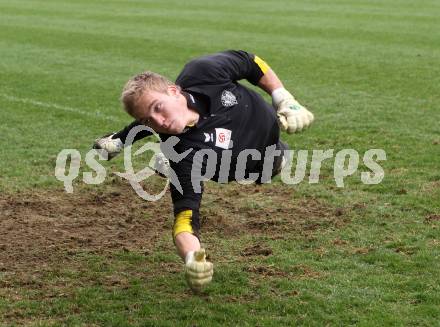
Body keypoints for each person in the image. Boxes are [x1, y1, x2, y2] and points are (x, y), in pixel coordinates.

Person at [93, 50, 314, 292]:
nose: (159, 120)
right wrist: (193, 258)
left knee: (278, 159)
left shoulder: (203, 73)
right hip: (251, 166)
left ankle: (119, 140)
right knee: (182, 148)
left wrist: (284, 98)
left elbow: (250, 62)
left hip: (272, 143)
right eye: (148, 120)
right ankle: (146, 152)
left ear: (175, 90)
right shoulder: (181, 153)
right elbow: (185, 220)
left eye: (159, 107)